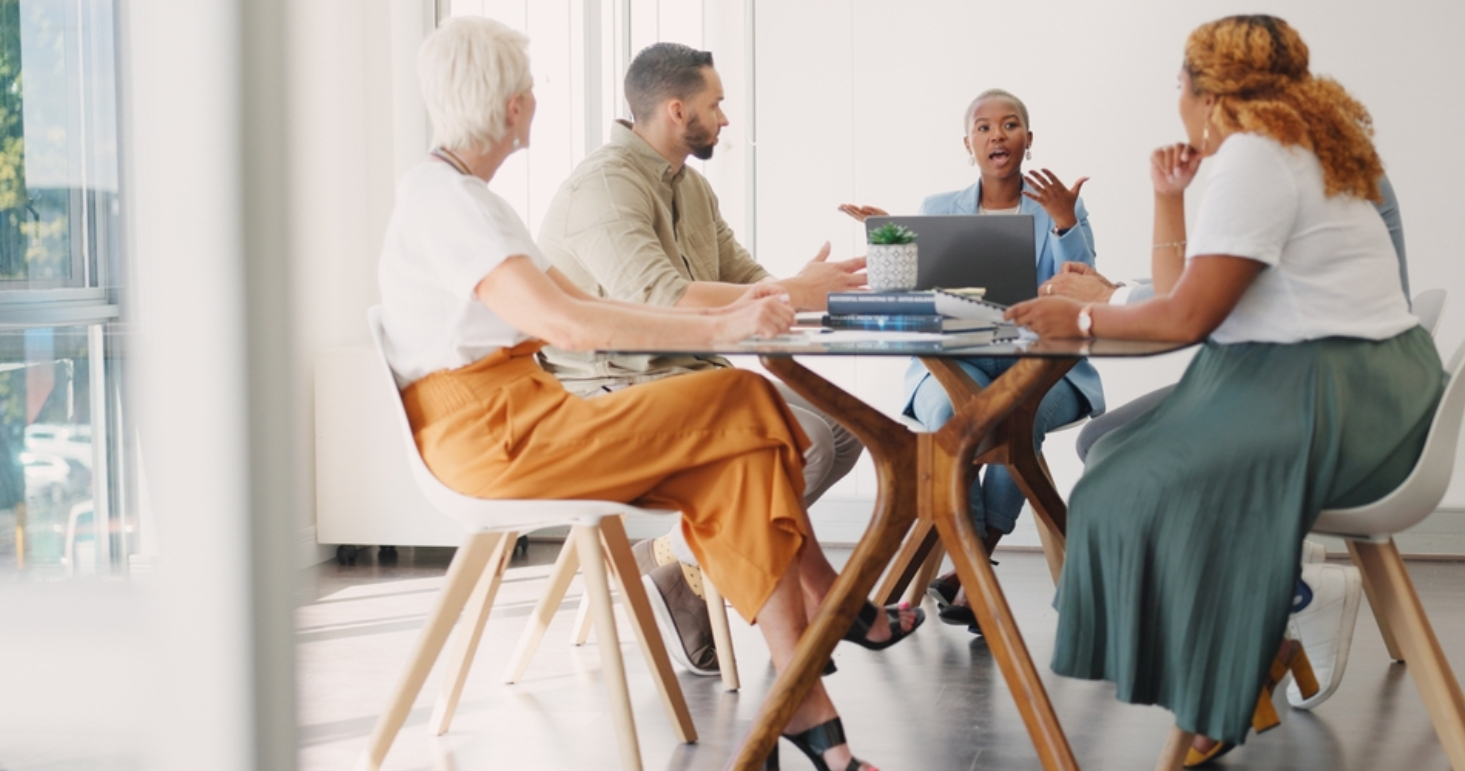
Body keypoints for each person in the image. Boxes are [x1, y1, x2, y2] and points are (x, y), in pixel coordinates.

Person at [383, 18, 914, 770]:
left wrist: (735, 312)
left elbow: (587, 305)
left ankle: (800, 706)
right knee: (745, 402)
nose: (536, 100)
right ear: (511, 107)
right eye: (529, 90)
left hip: (523, 415)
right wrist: (725, 321)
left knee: (736, 463)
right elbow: (569, 324)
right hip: (494, 435)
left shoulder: (469, 198)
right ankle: (815, 649)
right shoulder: (453, 205)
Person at [1006, 15, 1443, 766]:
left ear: (1207, 95)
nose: (1176, 102)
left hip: (1324, 391)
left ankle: (1245, 646)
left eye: (1178, 87)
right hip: (1369, 383)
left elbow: (1185, 318)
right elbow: (1188, 298)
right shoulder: (1312, 142)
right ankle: (1242, 652)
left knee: (1120, 480)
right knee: (1121, 454)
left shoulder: (1258, 159)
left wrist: (1077, 314)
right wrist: (1169, 195)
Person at [536, 42, 874, 676]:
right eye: (715, 104)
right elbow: (660, 298)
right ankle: (700, 567)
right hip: (614, 386)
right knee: (808, 444)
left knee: (848, 433)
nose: (724, 118)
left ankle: (674, 556)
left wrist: (804, 285)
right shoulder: (605, 186)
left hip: (686, 374)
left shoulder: (692, 188)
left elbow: (746, 279)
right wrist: (785, 292)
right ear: (675, 109)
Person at [1045, 172, 1412, 713]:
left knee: (1131, 466)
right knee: (1105, 437)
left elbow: (1223, 302)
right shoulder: (1282, 162)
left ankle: (1295, 590)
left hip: (1318, 395)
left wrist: (1111, 297)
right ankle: (1273, 560)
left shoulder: (1302, 173)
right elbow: (1214, 280)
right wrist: (1116, 289)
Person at [839, 88, 1103, 633]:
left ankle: (970, 567)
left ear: (1028, 140)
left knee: (1017, 415)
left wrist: (1063, 223)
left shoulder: (1061, 210)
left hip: (1040, 366)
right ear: (969, 144)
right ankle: (974, 572)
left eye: (1010, 126)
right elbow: (917, 292)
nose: (997, 135)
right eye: (984, 128)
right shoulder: (938, 209)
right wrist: (896, 238)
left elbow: (1084, 287)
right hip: (954, 362)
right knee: (947, 419)